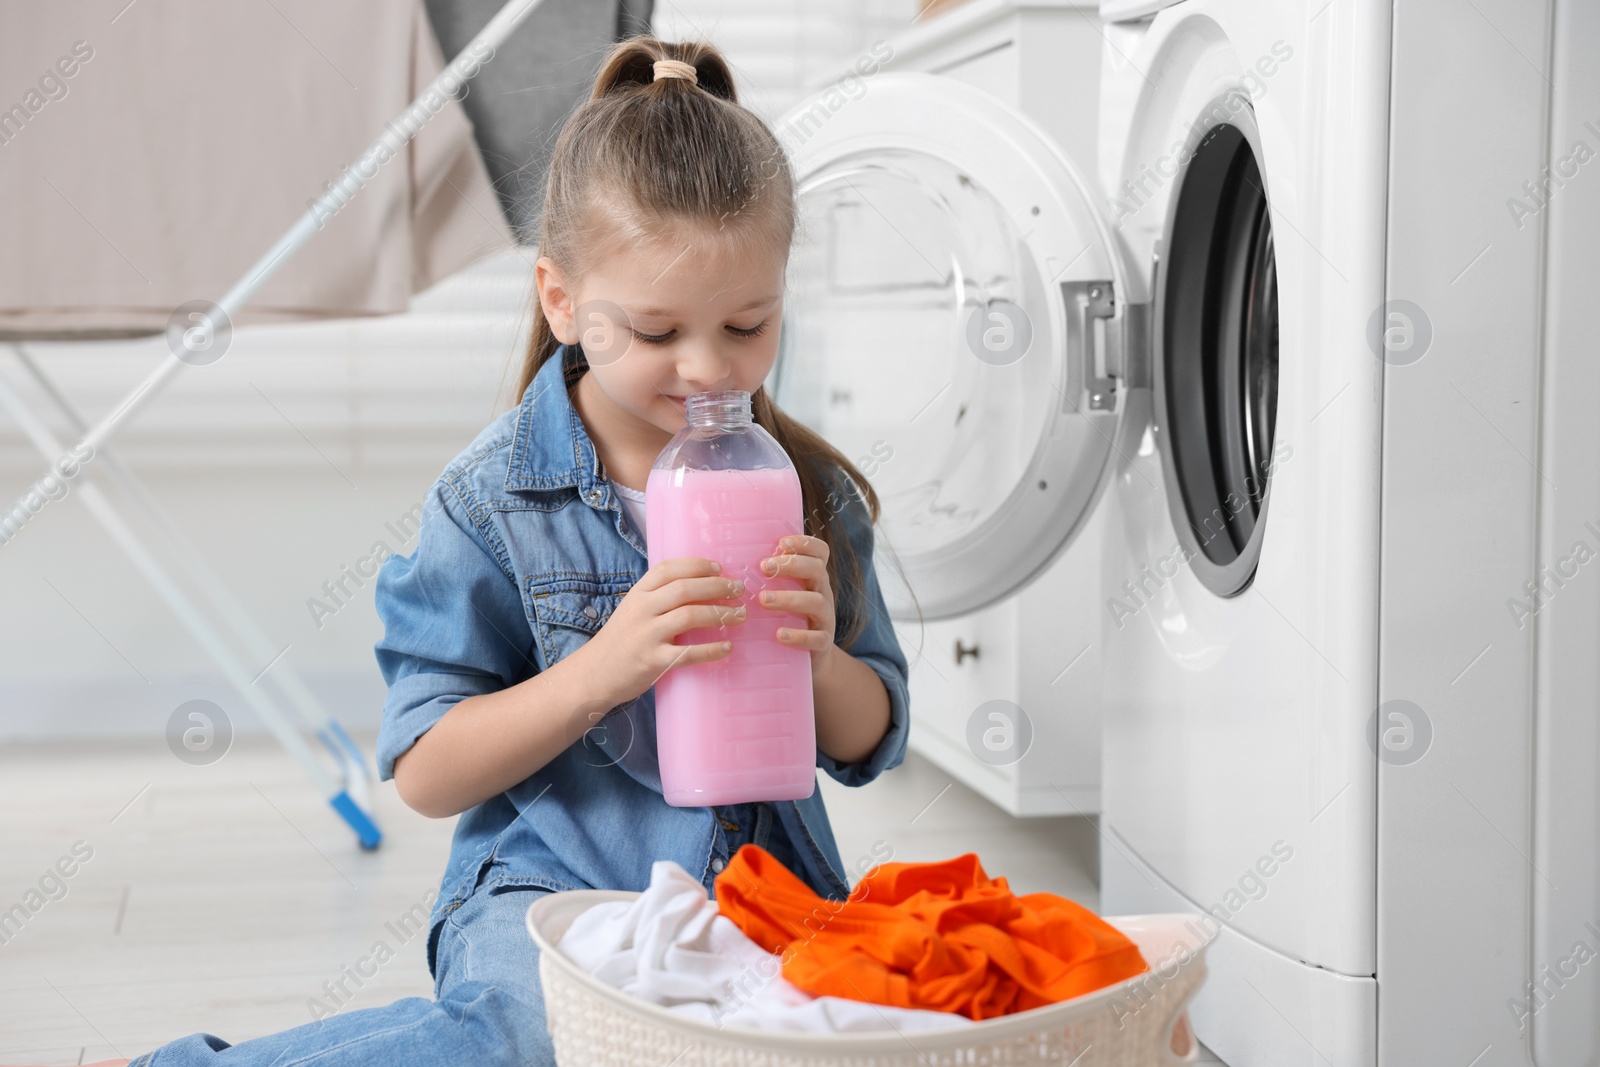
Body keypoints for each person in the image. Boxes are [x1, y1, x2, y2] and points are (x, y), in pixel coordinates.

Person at [63, 34, 912, 1067]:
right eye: (653, 333)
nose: (703, 366)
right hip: (553, 887)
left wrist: (817, 657)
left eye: (747, 322)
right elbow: (426, 769)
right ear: (561, 301)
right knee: (526, 1037)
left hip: (762, 884)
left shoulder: (801, 489)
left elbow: (869, 738)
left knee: (843, 1031)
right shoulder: (495, 498)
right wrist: (602, 670)